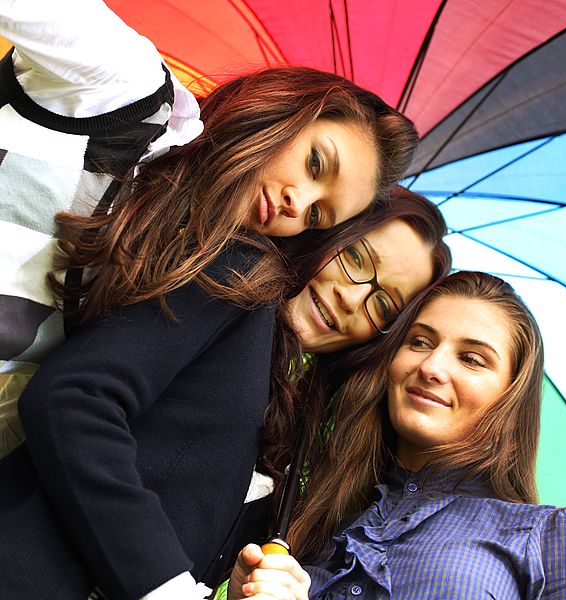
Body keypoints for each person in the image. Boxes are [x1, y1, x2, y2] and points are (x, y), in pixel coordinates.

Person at [0, 0, 417, 456]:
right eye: (315, 163)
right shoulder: (129, 89)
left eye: (317, 216)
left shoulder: (168, 275)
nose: (298, 204)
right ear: (284, 110)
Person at [0, 188, 450, 600]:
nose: (354, 300)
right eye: (356, 258)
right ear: (325, 230)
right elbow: (74, 398)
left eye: (385, 303)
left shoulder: (294, 423)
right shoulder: (237, 274)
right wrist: (165, 587)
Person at [230, 271, 566, 600]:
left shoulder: (555, 539)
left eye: (472, 359)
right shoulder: (312, 521)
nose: (432, 367)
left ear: (510, 397)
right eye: (420, 342)